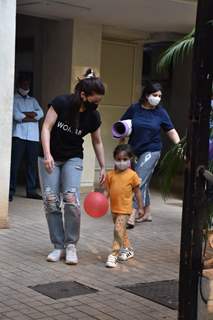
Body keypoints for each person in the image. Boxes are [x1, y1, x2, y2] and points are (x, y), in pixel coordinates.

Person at [38, 69, 106, 265]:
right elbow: (46, 128)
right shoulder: (62, 103)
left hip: (72, 157)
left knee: (71, 198)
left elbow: (98, 142)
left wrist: (102, 166)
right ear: (83, 95)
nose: (97, 104)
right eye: (95, 100)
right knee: (51, 200)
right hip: (49, 156)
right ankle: (58, 246)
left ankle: (71, 245)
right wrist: (48, 154)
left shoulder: (93, 116)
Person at [120, 82, 180, 228]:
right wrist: (122, 146)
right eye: (155, 95)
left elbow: (170, 130)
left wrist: (179, 146)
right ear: (147, 95)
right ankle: (147, 213)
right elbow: (123, 126)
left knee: (138, 180)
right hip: (134, 150)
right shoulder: (134, 109)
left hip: (152, 150)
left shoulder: (161, 112)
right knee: (143, 180)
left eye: (159, 96)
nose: (157, 98)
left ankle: (133, 214)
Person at [104, 144, 143, 268]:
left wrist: (141, 207)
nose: (121, 162)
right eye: (118, 159)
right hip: (114, 209)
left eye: (125, 159)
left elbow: (137, 192)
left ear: (130, 159)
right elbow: (107, 191)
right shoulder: (110, 175)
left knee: (118, 230)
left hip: (125, 209)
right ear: (114, 159)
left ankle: (113, 255)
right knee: (122, 230)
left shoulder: (132, 175)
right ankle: (128, 249)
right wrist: (101, 201)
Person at [9, 74, 44, 202]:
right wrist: (31, 116)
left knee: (31, 165)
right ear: (19, 85)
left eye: (28, 85)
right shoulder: (14, 99)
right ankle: (10, 190)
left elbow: (40, 114)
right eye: (24, 84)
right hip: (18, 135)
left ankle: (31, 191)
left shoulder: (33, 100)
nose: (26, 86)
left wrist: (25, 116)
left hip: (33, 138)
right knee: (15, 164)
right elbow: (17, 116)